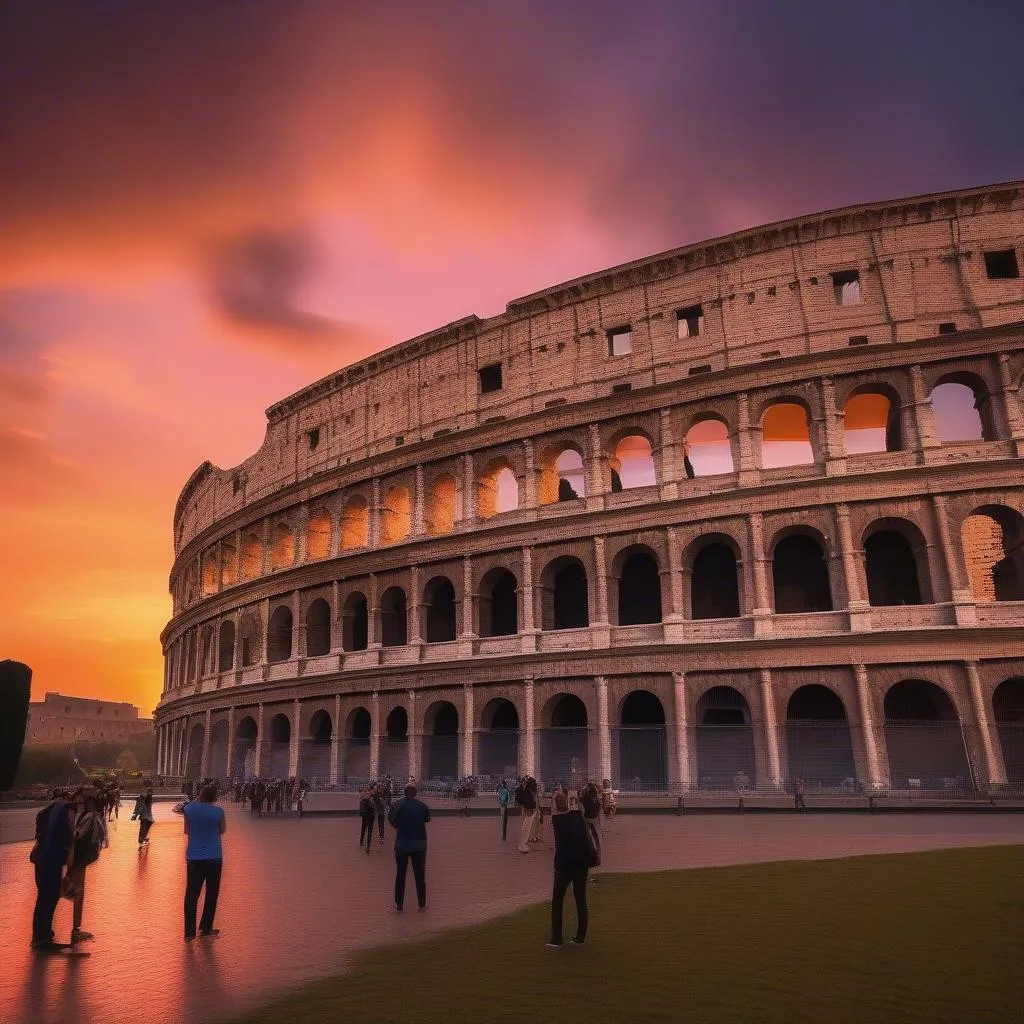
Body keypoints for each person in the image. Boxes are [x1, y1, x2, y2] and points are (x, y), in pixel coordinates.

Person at [546, 791, 595, 948]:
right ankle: (580, 937)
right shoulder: (577, 816)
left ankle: (556, 938)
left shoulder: (556, 819)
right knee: (580, 899)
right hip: (581, 863)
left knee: (557, 901)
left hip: (564, 866)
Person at [30, 789, 75, 951]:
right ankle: (41, 939)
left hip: (41, 859)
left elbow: (41, 836)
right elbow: (67, 836)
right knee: (49, 898)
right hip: (52, 860)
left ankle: (42, 934)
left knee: (43, 898)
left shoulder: (44, 812)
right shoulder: (65, 810)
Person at [64, 788, 108, 945]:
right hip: (77, 859)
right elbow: (78, 835)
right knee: (79, 893)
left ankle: (76, 929)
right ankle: (76, 931)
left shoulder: (76, 814)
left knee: (77, 891)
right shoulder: (88, 816)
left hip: (74, 858)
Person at [183, 782, 226, 940]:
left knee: (191, 895)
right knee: (211, 894)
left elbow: (187, 830)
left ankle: (189, 933)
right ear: (215, 797)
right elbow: (222, 830)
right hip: (214, 857)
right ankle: (206, 928)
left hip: (194, 857)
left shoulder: (189, 810)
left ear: (200, 795)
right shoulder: (218, 812)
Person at [388, 783, 431, 912]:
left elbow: (391, 819)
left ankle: (399, 904)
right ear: (415, 793)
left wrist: (400, 827)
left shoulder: (398, 804)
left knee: (400, 875)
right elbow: (427, 819)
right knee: (420, 875)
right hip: (419, 844)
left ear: (404, 793)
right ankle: (422, 904)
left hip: (402, 844)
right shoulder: (422, 805)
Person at [517, 776, 538, 853]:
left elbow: (520, 800)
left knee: (525, 827)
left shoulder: (524, 790)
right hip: (529, 809)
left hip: (528, 809)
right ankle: (523, 846)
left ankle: (523, 845)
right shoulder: (529, 790)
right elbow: (533, 798)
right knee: (526, 827)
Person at [358, 788, 376, 853]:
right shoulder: (364, 801)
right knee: (365, 830)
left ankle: (366, 845)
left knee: (367, 831)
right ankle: (363, 842)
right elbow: (362, 810)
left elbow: (374, 808)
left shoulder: (369, 800)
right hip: (367, 817)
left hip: (369, 817)